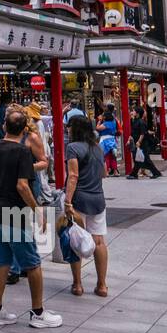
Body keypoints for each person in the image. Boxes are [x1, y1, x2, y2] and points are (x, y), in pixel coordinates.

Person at [0, 110, 62, 329]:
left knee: (2, 262)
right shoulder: (23, 152)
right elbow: (22, 186)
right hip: (16, 213)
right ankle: (38, 313)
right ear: (25, 129)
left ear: (4, 125)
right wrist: (37, 211)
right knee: (33, 263)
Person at [64, 115, 109, 297]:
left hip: (79, 199)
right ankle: (102, 285)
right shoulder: (97, 148)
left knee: (75, 240)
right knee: (99, 241)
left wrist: (68, 201)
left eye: (69, 126)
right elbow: (104, 173)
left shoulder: (73, 148)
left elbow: (73, 176)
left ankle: (77, 284)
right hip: (98, 198)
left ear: (75, 129)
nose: (67, 130)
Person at [4, 105, 49, 285]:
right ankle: (25, 264)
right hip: (12, 183)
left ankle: (17, 267)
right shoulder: (7, 135)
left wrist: (26, 167)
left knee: (18, 225)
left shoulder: (32, 137)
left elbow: (44, 162)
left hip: (29, 183)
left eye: (9, 115)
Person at [128, 106, 161, 179]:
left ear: (137, 113)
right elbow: (133, 133)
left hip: (142, 143)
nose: (132, 112)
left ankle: (155, 172)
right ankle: (135, 173)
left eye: (133, 111)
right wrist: (129, 140)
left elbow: (142, 133)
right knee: (139, 158)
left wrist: (139, 142)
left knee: (143, 159)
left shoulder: (141, 122)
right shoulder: (134, 121)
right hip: (138, 142)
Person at [96, 105, 120, 177]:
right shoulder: (114, 122)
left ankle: (106, 172)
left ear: (105, 117)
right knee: (113, 156)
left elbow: (98, 128)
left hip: (105, 140)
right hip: (112, 140)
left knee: (105, 156)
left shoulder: (106, 124)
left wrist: (99, 121)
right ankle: (115, 171)